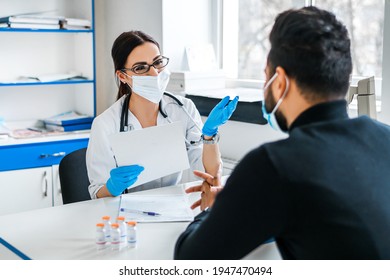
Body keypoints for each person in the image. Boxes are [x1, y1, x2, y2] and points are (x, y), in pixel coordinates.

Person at [174, 6, 390, 260]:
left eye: (265, 76)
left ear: (279, 81)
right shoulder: (384, 137)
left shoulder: (274, 165)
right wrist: (242, 202)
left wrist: (213, 210)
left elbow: (190, 261)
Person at [86, 30, 238, 199]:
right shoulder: (105, 124)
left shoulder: (183, 109)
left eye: (157, 62)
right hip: (125, 213)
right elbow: (97, 193)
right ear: (123, 76)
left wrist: (209, 136)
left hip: (174, 206)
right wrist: (112, 187)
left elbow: (210, 175)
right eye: (140, 68)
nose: (154, 73)